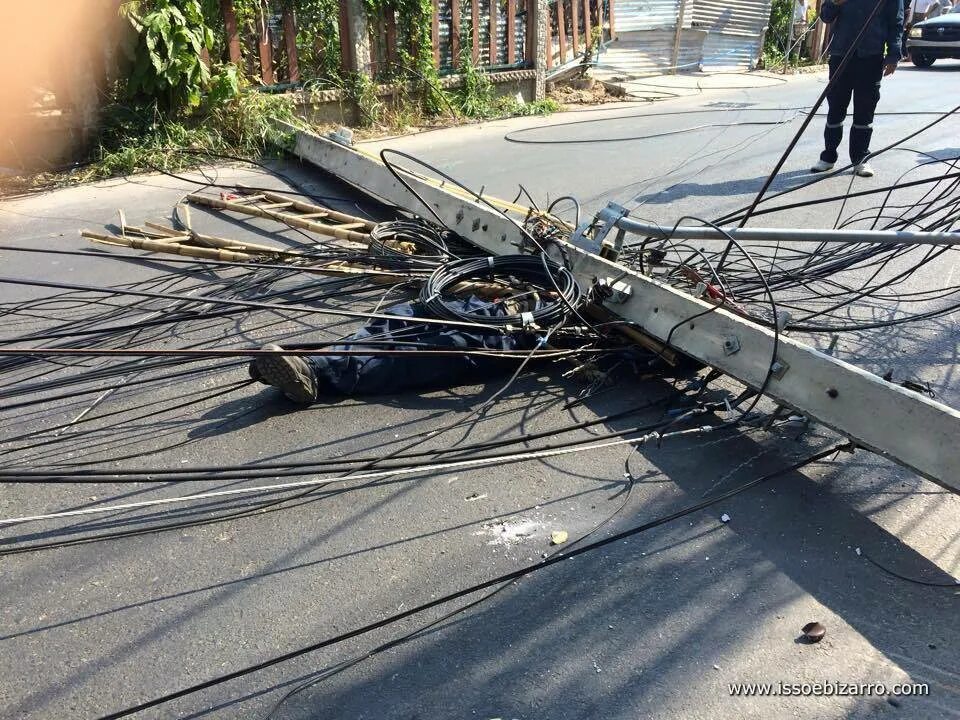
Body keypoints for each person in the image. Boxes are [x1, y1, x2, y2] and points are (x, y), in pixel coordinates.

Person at [811, 0, 904, 178]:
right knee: (836, 108)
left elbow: (896, 22)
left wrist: (893, 54)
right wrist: (835, 3)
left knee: (864, 111)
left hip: (871, 57)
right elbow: (826, 16)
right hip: (841, 55)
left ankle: (860, 159)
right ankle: (828, 156)